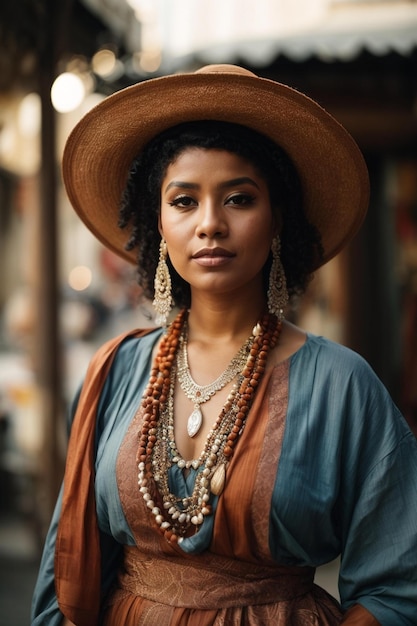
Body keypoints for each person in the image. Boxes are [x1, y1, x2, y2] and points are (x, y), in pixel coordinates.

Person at [31, 64, 417, 626]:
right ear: (157, 222)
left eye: (238, 199)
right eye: (184, 201)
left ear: (276, 219)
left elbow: (398, 585)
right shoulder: (114, 371)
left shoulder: (342, 383)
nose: (210, 224)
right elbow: (71, 563)